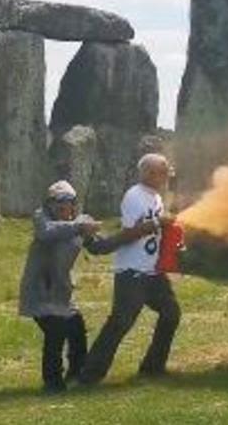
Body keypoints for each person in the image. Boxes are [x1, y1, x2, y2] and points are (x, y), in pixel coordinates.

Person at [18, 181, 155, 393]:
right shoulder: (42, 217)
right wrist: (80, 227)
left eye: (69, 204)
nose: (65, 209)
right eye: (59, 205)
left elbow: (101, 247)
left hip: (62, 293)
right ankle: (53, 383)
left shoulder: (81, 222)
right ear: (51, 205)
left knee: (76, 331)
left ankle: (76, 373)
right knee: (55, 333)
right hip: (41, 290)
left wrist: (133, 233)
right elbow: (47, 232)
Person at [79, 154, 180, 385]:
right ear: (148, 173)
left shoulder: (155, 197)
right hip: (132, 272)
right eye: (162, 172)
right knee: (120, 323)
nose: (166, 177)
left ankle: (152, 368)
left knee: (171, 313)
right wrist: (157, 223)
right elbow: (130, 233)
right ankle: (90, 375)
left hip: (152, 272)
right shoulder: (134, 196)